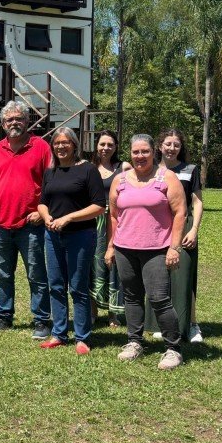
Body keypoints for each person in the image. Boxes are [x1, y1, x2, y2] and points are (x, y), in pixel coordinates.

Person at [106, 134, 187, 370]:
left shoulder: (167, 178)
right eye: (135, 152)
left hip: (157, 249)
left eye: (145, 152)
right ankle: (134, 342)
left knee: (159, 298)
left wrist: (174, 247)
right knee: (131, 297)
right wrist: (111, 246)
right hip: (124, 248)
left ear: (154, 152)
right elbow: (113, 215)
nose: (140, 156)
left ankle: (173, 348)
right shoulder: (119, 180)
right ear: (130, 153)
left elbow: (180, 212)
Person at [0, 101, 53, 339]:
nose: (14, 122)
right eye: (9, 119)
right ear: (3, 124)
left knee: (36, 275)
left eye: (19, 118)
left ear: (27, 121)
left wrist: (41, 212)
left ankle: (42, 320)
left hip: (30, 225)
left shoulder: (41, 147)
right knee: (2, 274)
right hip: (1, 225)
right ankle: (4, 316)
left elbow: (51, 183)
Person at [37, 128, 105, 354]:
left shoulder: (88, 170)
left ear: (74, 145)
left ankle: (82, 337)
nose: (61, 147)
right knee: (55, 286)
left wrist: (68, 218)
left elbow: (98, 206)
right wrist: (47, 217)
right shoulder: (51, 172)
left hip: (80, 236)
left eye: (66, 143)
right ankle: (58, 333)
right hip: (53, 236)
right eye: (56, 143)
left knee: (78, 287)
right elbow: (42, 202)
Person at [147, 129, 204, 343]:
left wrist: (194, 229)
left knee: (184, 277)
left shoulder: (190, 170)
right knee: (160, 277)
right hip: (156, 229)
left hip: (184, 228)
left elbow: (197, 202)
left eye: (176, 145)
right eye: (168, 144)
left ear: (181, 148)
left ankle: (191, 325)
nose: (172, 148)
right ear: (160, 146)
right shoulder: (150, 170)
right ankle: (163, 324)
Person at [89, 131, 131, 327]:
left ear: (116, 147)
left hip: (115, 220)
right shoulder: (88, 167)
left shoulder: (123, 167)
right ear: (96, 145)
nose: (105, 148)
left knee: (113, 264)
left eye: (110, 145)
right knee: (92, 265)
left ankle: (114, 313)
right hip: (92, 223)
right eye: (102, 144)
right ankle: (93, 309)